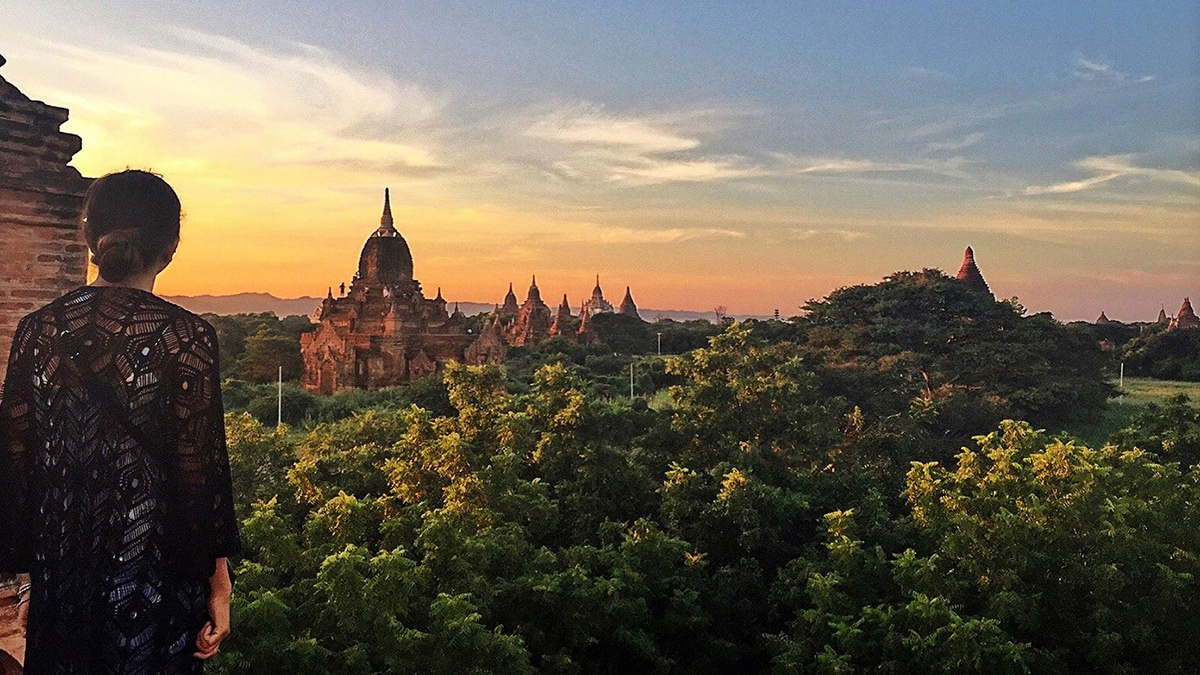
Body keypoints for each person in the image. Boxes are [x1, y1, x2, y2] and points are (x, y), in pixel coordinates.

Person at [0, 169, 241, 673]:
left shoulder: (35, 332)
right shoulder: (186, 338)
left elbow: (15, 474)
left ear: (90, 240)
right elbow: (199, 478)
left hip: (62, 580)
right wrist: (219, 586)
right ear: (170, 247)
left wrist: (26, 583)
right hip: (154, 587)